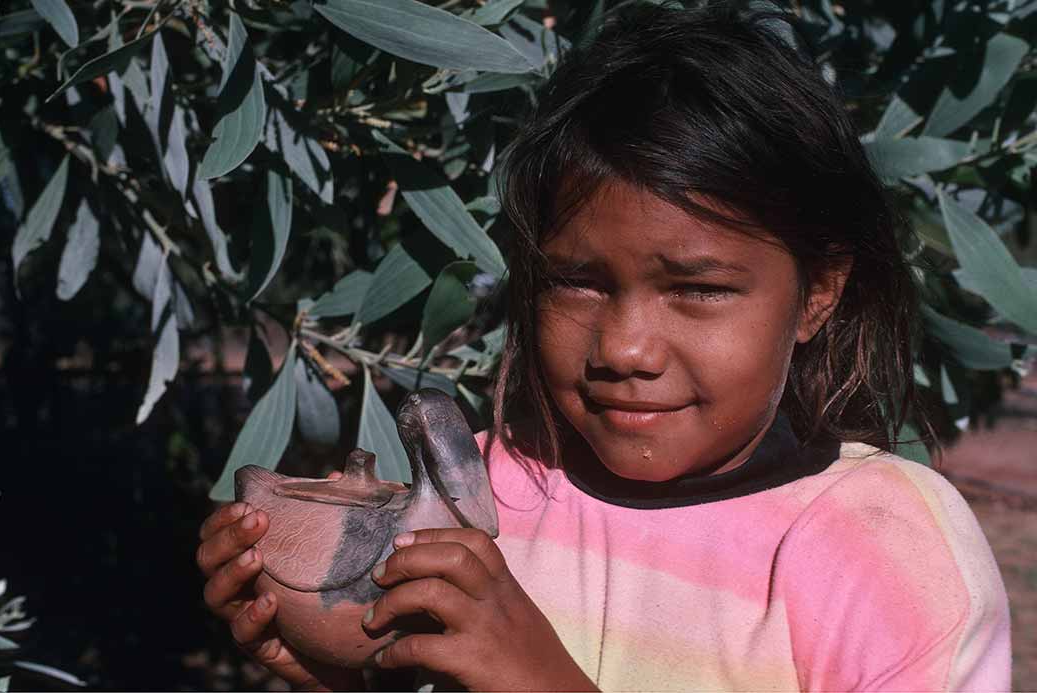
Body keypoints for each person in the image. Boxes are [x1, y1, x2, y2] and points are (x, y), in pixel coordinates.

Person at [195, 2, 1012, 690]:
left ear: (817, 294)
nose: (624, 346)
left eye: (698, 289)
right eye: (577, 282)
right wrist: (344, 663)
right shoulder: (490, 495)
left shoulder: (885, 549)